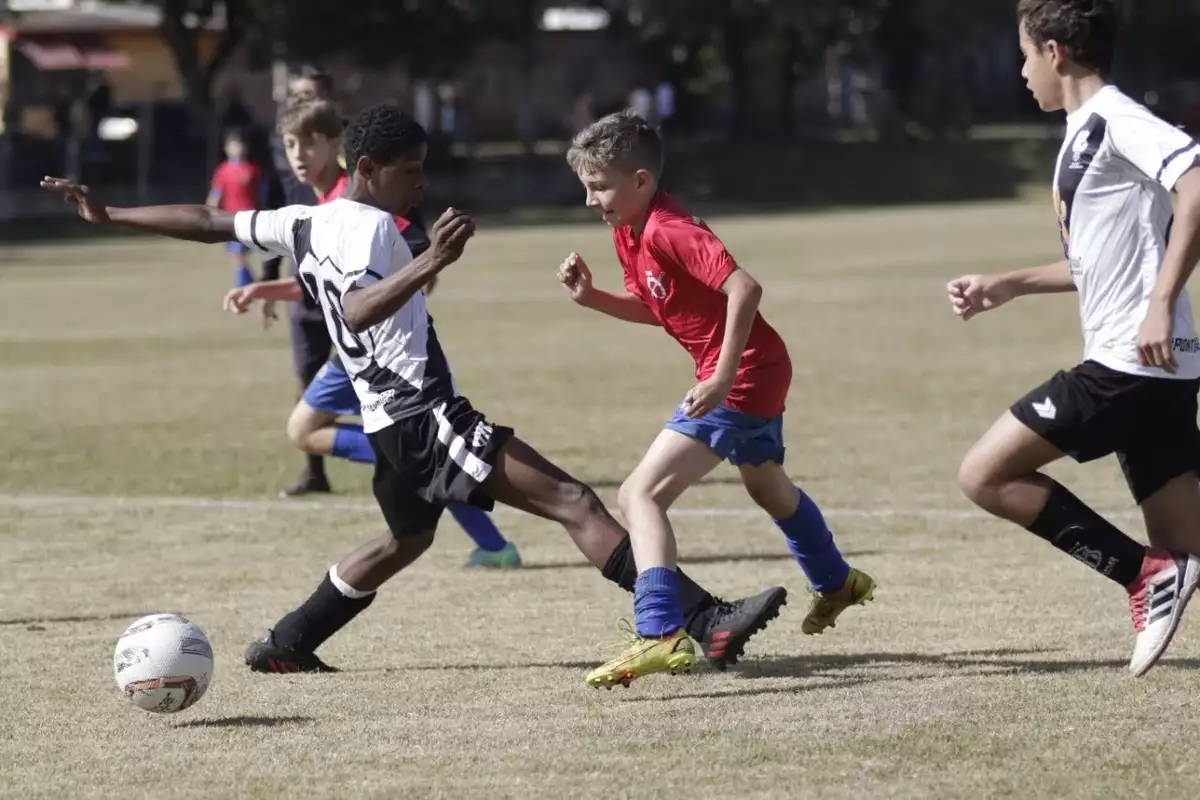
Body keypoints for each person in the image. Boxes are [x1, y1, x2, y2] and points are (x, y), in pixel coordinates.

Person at [40, 103, 788, 679]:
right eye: (410, 171)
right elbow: (361, 312)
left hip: (384, 419)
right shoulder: (372, 232)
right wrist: (429, 261)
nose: (422, 184)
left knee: (407, 539)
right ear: (367, 167)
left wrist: (111, 215)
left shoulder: (305, 220)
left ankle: (288, 641)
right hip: (422, 415)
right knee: (575, 502)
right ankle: (705, 621)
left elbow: (209, 221)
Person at [558, 110, 874, 688]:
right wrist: (594, 298)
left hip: (745, 373)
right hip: (760, 369)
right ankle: (836, 581)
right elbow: (660, 308)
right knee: (767, 487)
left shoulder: (667, 229)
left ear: (641, 181)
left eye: (598, 186)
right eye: (585, 187)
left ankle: (658, 632)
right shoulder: (628, 231)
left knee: (639, 494)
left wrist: (724, 374)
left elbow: (744, 287)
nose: (589, 200)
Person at [947, 0, 1200, 677]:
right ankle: (1157, 571)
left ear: (1055, 52)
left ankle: (1141, 577)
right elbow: (1101, 262)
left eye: (1025, 55)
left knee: (984, 474)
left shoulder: (1117, 118)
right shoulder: (1084, 131)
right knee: (1188, 542)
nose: (1022, 71)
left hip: (1129, 363)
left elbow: (1197, 184)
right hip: (1158, 368)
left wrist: (1160, 302)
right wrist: (1009, 283)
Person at [241, 98, 521, 569]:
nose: (298, 154)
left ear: (340, 149)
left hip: (378, 358)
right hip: (353, 353)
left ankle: (491, 542)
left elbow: (395, 276)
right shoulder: (318, 209)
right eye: (289, 144)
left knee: (306, 430)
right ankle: (489, 541)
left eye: (309, 143)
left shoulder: (370, 208)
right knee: (319, 434)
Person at [206, 129, 263, 288]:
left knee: (238, 252)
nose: (237, 149)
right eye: (233, 145)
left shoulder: (252, 169)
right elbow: (216, 193)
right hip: (229, 217)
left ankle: (244, 283)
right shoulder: (222, 171)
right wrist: (209, 211)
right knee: (235, 253)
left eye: (239, 145)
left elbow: (261, 192)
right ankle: (250, 283)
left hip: (248, 216)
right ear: (226, 148)